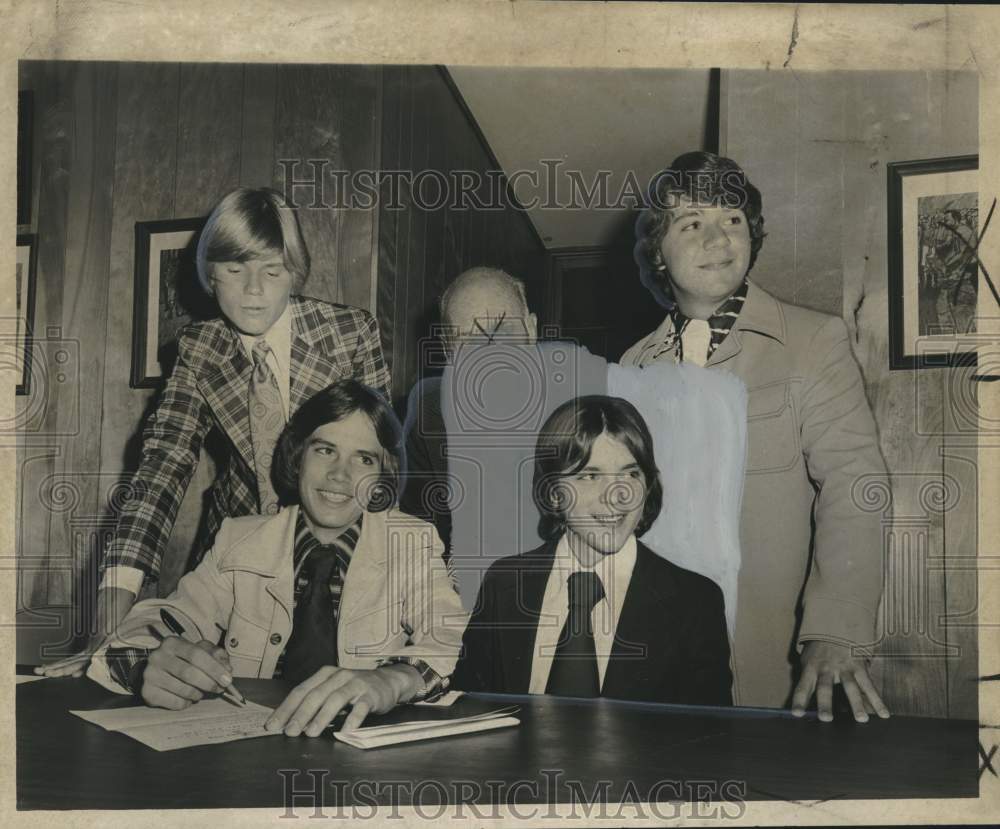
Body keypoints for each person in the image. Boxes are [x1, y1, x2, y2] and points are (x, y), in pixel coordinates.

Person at [41, 187, 391, 677]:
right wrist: (107, 628)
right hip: (236, 555)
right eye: (234, 270)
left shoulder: (350, 334)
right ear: (210, 274)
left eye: (271, 271)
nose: (253, 290)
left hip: (332, 547)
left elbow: (376, 464)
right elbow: (160, 470)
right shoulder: (198, 347)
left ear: (294, 271)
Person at [622, 151, 890, 722]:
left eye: (734, 219)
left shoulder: (814, 341)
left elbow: (856, 482)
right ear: (658, 254)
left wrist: (836, 628)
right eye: (691, 223)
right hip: (653, 660)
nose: (717, 237)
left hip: (765, 665)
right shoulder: (632, 366)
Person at [88, 380, 465, 734]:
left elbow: (449, 634)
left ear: (384, 476)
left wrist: (391, 680)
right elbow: (158, 622)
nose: (339, 474)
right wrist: (146, 668)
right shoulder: (239, 539)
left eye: (363, 459)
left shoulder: (411, 542)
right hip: (252, 742)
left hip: (361, 753)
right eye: (325, 450)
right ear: (298, 456)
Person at [452, 395, 732, 705]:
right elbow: (471, 710)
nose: (616, 496)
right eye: (589, 475)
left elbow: (707, 741)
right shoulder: (504, 584)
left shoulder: (694, 602)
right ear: (554, 491)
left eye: (630, 474)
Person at [399, 266, 539, 550]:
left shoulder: (583, 409)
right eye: (466, 340)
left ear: (531, 329)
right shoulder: (429, 416)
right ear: (447, 349)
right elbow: (416, 529)